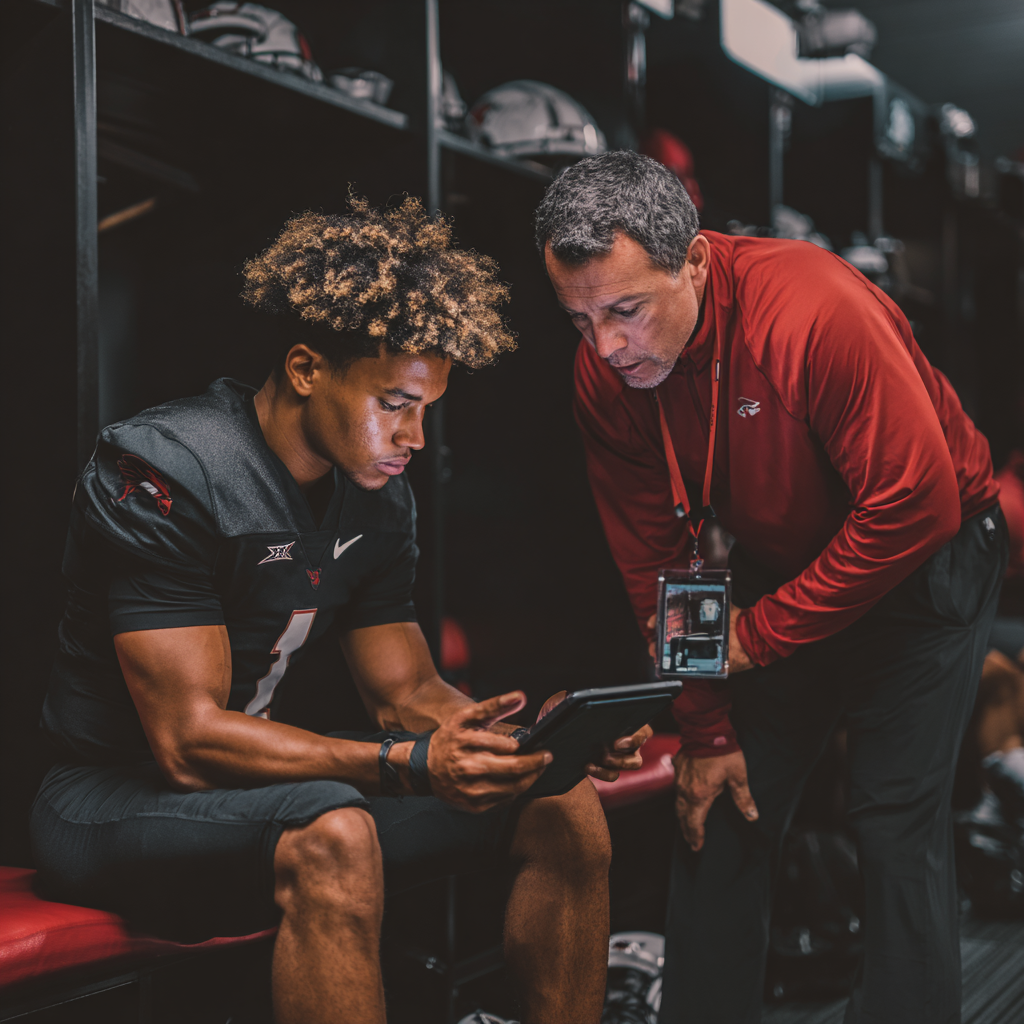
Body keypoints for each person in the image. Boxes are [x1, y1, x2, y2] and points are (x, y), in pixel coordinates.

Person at [31, 197, 651, 1024]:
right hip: (111, 797)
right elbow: (186, 743)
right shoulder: (167, 470)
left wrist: (525, 747)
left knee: (559, 805)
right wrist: (403, 764)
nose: (415, 437)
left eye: (425, 409)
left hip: (256, 799)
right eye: (394, 403)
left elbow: (408, 695)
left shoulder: (378, 500)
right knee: (335, 832)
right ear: (305, 371)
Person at [533, 151, 1005, 1023]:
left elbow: (914, 504)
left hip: (926, 560)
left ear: (698, 262)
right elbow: (657, 560)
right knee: (718, 809)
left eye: (627, 310)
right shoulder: (607, 376)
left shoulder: (813, 311)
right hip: (780, 566)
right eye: (580, 319)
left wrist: (759, 636)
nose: (605, 346)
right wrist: (706, 727)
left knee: (893, 825)